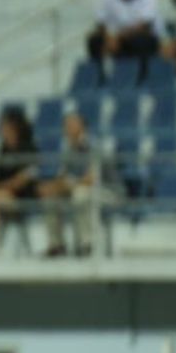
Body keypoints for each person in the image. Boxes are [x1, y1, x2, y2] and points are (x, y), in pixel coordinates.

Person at [38, 110, 104, 257]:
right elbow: (63, 176)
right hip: (78, 189)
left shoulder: (94, 146)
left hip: (107, 190)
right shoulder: (68, 150)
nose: (66, 129)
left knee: (80, 194)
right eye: (65, 126)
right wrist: (53, 187)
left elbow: (92, 179)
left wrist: (70, 184)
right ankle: (57, 244)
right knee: (51, 196)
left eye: (70, 125)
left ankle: (87, 244)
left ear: (82, 127)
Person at [0, 109, 41, 249]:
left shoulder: (29, 149)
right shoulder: (2, 150)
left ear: (15, 128)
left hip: (23, 198)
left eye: (5, 127)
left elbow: (20, 181)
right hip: (2, 196)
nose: (3, 131)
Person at [87, 0, 164, 62]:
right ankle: (99, 74)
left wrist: (119, 38)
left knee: (141, 41)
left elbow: (145, 25)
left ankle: (141, 74)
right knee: (94, 40)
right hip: (115, 37)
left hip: (140, 36)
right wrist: (108, 38)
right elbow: (101, 22)